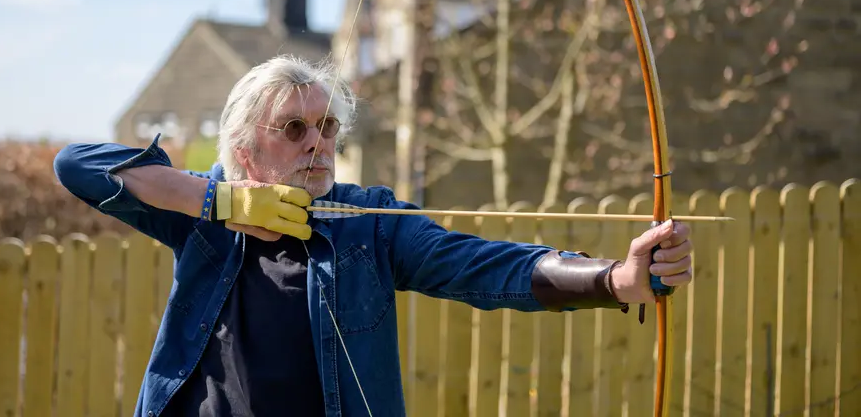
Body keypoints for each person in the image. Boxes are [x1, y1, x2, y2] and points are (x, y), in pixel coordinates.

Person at [53, 54, 694, 417]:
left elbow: (478, 264)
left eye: (327, 127)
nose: (319, 143)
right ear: (246, 150)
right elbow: (75, 166)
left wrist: (615, 279)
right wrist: (219, 200)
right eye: (295, 129)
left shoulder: (369, 223)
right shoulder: (207, 218)